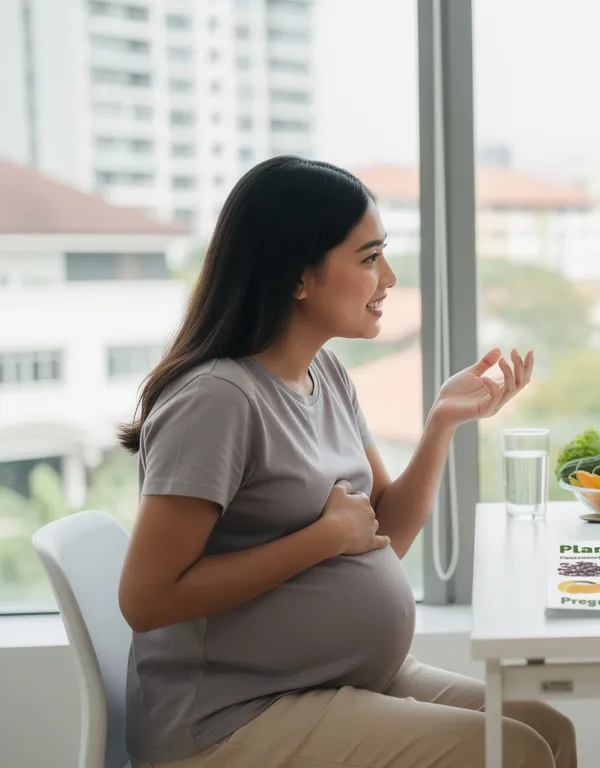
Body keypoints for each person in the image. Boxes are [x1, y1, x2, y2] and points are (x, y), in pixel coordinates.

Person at [117, 157, 576, 768]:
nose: (387, 277)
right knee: (514, 752)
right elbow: (146, 599)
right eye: (368, 258)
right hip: (229, 718)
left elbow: (384, 536)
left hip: (331, 681)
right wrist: (323, 539)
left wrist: (442, 421)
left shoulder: (326, 373)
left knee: (545, 726)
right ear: (298, 277)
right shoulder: (217, 401)